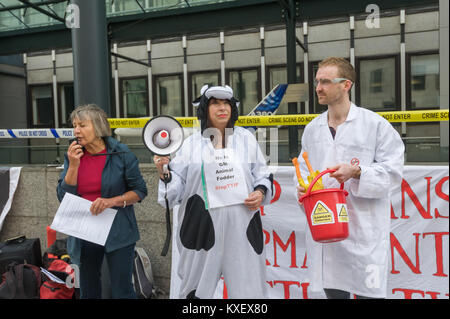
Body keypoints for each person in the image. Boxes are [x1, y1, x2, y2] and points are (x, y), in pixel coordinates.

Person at [295, 57, 404, 299]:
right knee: (334, 292)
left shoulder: (375, 125)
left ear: (346, 85)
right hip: (326, 232)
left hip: (364, 230)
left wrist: (357, 172)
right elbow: (303, 170)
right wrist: (303, 189)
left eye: (325, 81)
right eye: (317, 81)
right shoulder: (313, 129)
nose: (318, 88)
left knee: (368, 293)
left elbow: (394, 173)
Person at [154, 85, 273, 299]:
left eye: (226, 103)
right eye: (215, 103)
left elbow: (262, 174)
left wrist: (260, 192)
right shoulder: (189, 145)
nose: (222, 108)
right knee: (195, 289)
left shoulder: (246, 139)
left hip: (242, 225)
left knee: (249, 289)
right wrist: (163, 172)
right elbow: (174, 192)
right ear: (204, 109)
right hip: (201, 229)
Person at [56, 104, 147, 299]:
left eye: (82, 125)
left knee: (122, 290)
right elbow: (63, 196)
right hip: (84, 230)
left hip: (118, 229)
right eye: (74, 125)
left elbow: (140, 191)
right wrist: (73, 165)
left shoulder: (121, 153)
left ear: (98, 127)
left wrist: (110, 201)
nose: (76, 131)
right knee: (87, 290)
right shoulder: (73, 153)